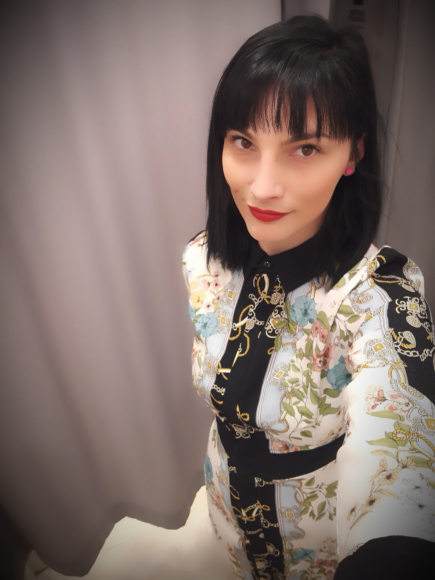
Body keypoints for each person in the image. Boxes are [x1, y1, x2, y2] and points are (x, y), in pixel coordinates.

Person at [182, 15, 435, 580]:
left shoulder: (379, 297)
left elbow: (403, 449)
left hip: (316, 548)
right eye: (244, 142)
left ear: (353, 154)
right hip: (227, 518)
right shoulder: (202, 260)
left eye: (304, 149)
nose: (262, 186)